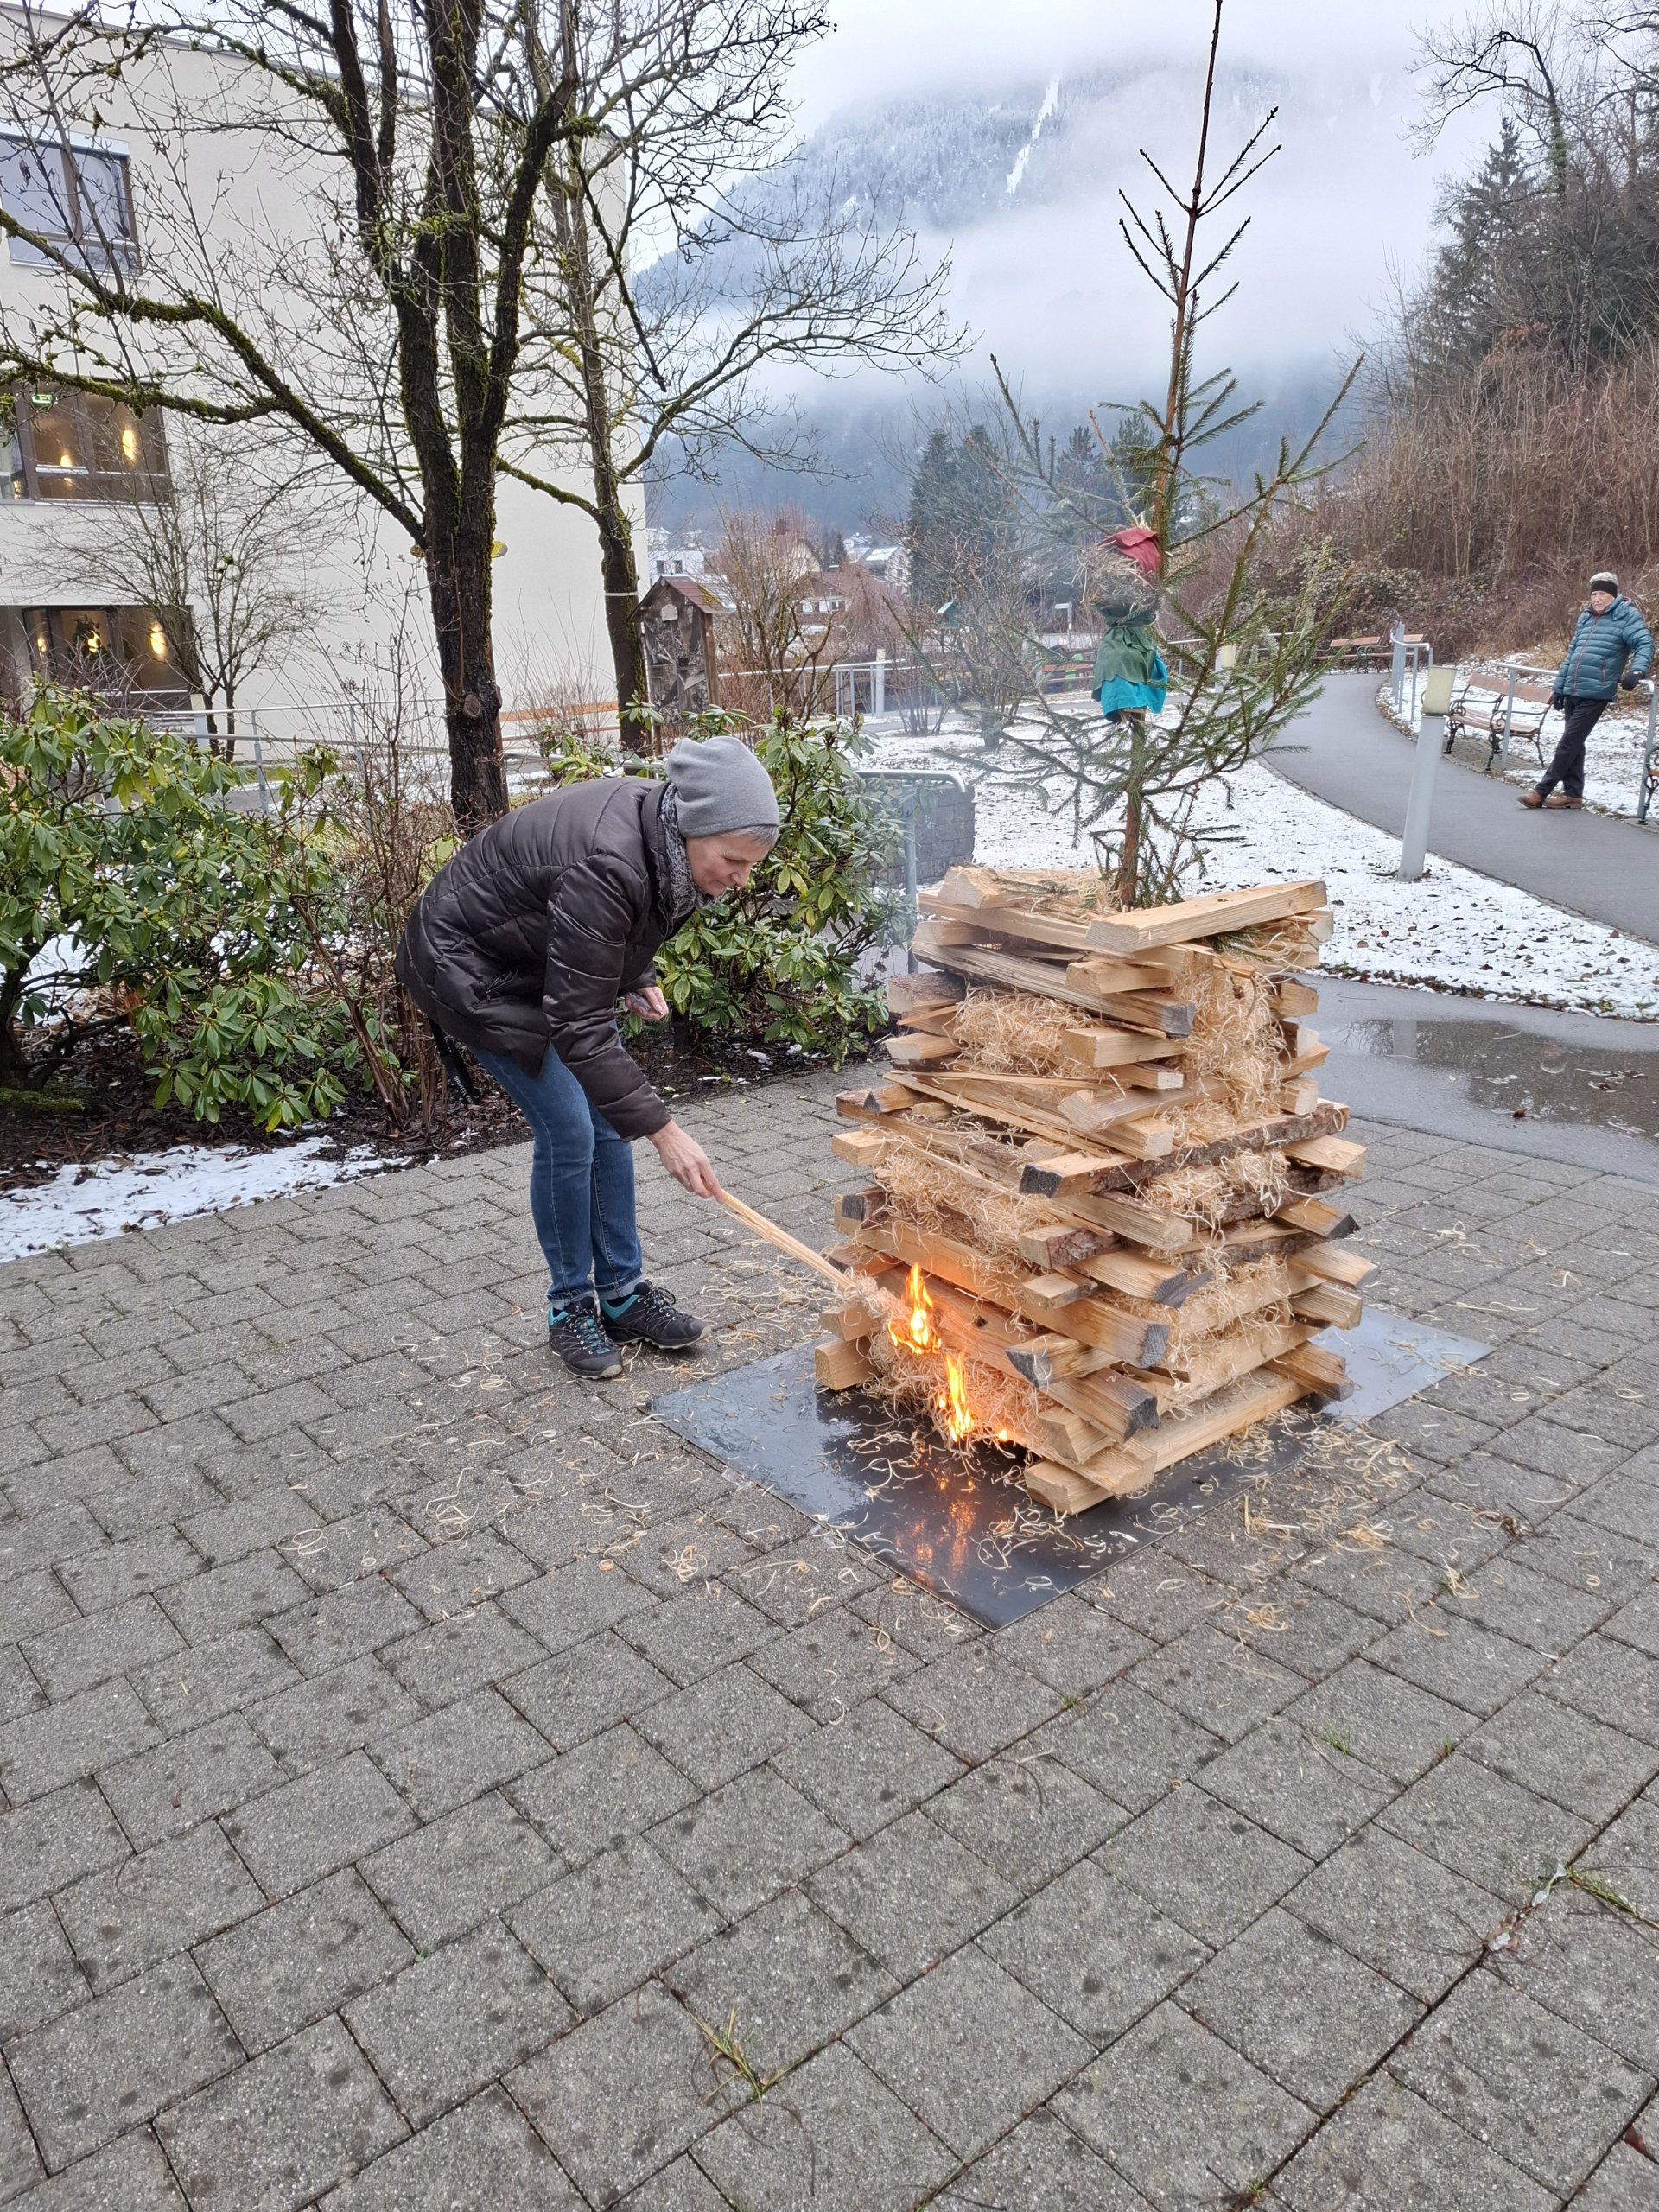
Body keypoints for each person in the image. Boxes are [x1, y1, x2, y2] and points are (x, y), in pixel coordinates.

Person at [395, 735, 780, 1378]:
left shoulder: (664, 840)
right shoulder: (609, 860)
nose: (742, 878)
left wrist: (633, 974)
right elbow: (578, 1020)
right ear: (693, 825)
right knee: (572, 1129)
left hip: (531, 962)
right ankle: (570, 1305)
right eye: (734, 860)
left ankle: (622, 1293)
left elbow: (613, 927)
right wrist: (666, 1132)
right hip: (469, 969)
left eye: (752, 864)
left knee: (606, 1124)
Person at [1522, 570, 1652, 810]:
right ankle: (1573, 795)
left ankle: (1541, 791)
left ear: (1613, 595)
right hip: (1573, 689)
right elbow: (1572, 655)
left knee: (1568, 742)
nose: (1597, 599)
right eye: (1594, 594)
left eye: (1602, 594)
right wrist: (1559, 688)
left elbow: (1644, 643)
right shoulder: (1586, 617)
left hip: (1597, 690)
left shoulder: (1626, 616)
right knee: (1575, 743)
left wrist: (1638, 670)